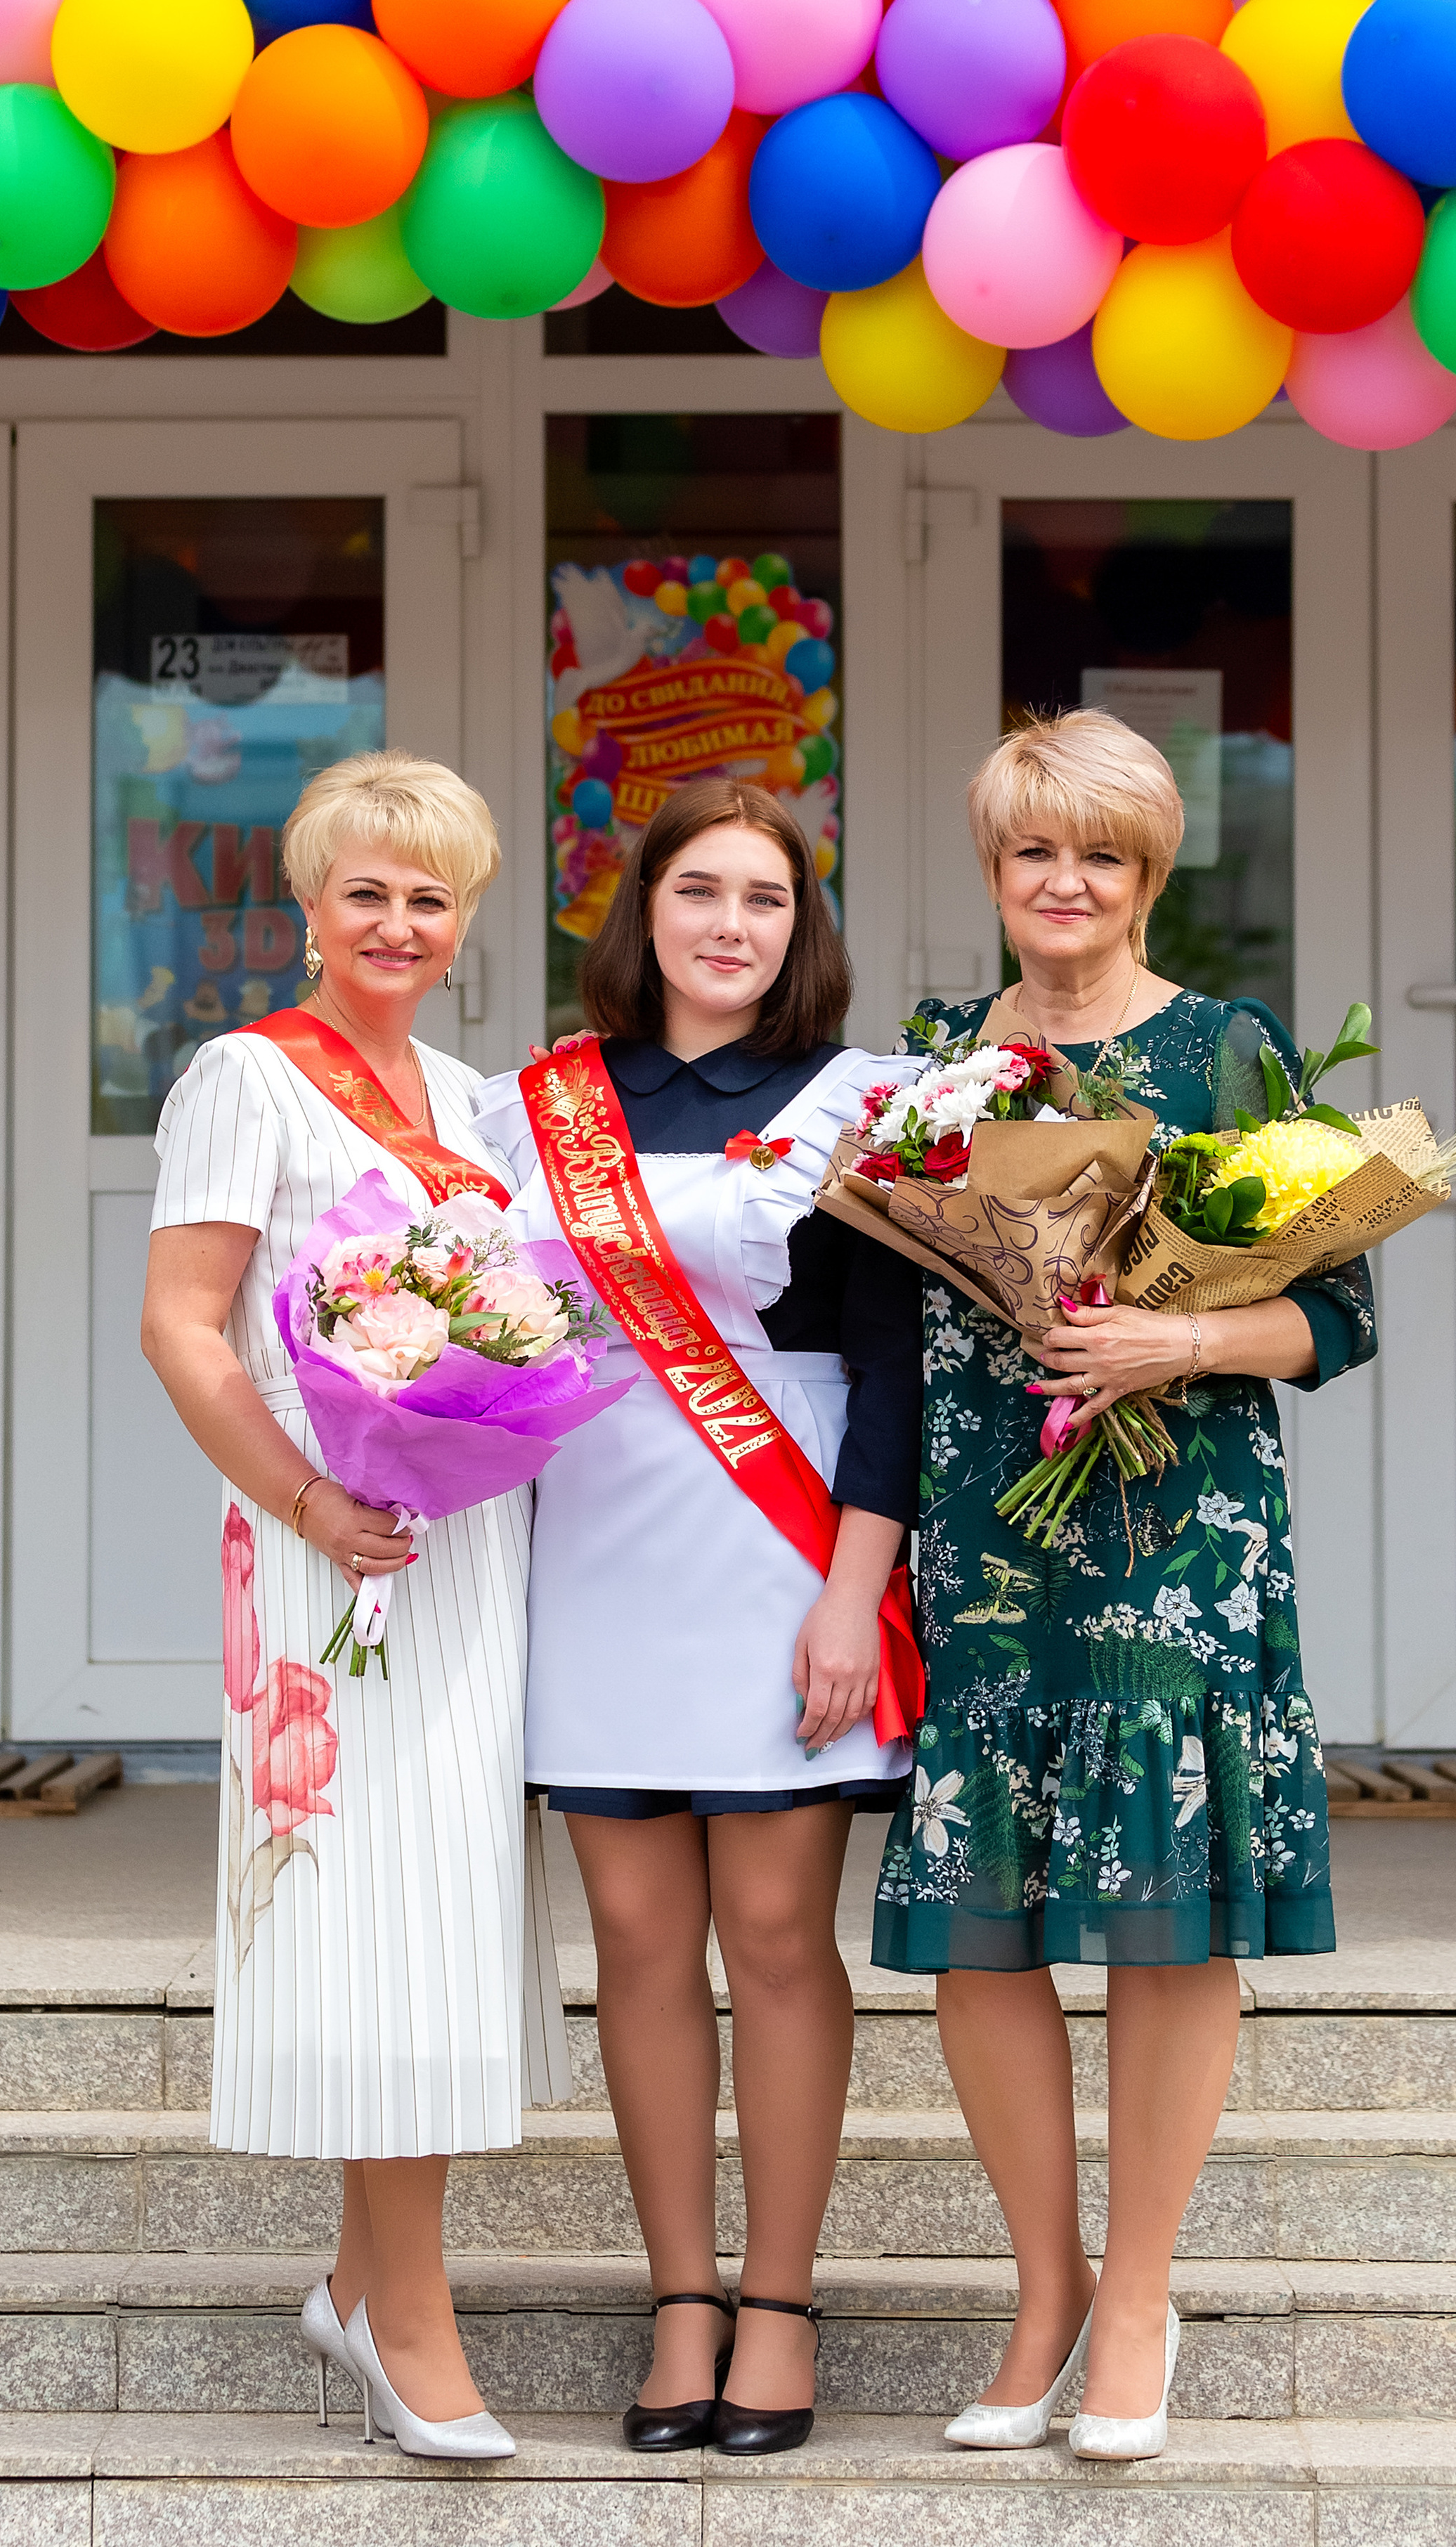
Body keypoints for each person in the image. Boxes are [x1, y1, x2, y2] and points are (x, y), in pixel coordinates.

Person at [873, 710, 1367, 2463]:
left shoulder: (1228, 1049)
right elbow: (886, 1311)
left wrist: (1179, 1334)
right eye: (1031, 852)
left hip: (1179, 1541)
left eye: (1097, 854)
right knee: (985, 1933)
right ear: (993, 870)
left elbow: (1338, 1315)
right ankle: (1042, 2292)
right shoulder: (934, 1061)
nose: (1061, 884)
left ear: (1145, 873)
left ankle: (1141, 2296)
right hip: (989, 1534)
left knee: (1167, 1927)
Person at [472, 779, 923, 2458]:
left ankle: (783, 2303)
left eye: (767, 899)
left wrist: (850, 1593)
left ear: (801, 930)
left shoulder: (859, 1102)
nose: (732, 925)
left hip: (784, 1538)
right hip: (595, 1538)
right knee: (642, 1950)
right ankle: (677, 2297)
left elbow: (894, 1365)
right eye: (700, 892)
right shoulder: (543, 1107)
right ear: (640, 911)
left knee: (780, 1941)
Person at [141, 749, 568, 2465]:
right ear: (311, 906)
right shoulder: (248, 1077)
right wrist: (315, 1498)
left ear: (464, 919)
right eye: (365, 890)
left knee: (441, 1915)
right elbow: (186, 1324)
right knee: (370, 1913)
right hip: (325, 1549)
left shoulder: (472, 1099)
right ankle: (412, 2323)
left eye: (431, 895)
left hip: (466, 1549)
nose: (398, 921)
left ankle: (351, 2280)